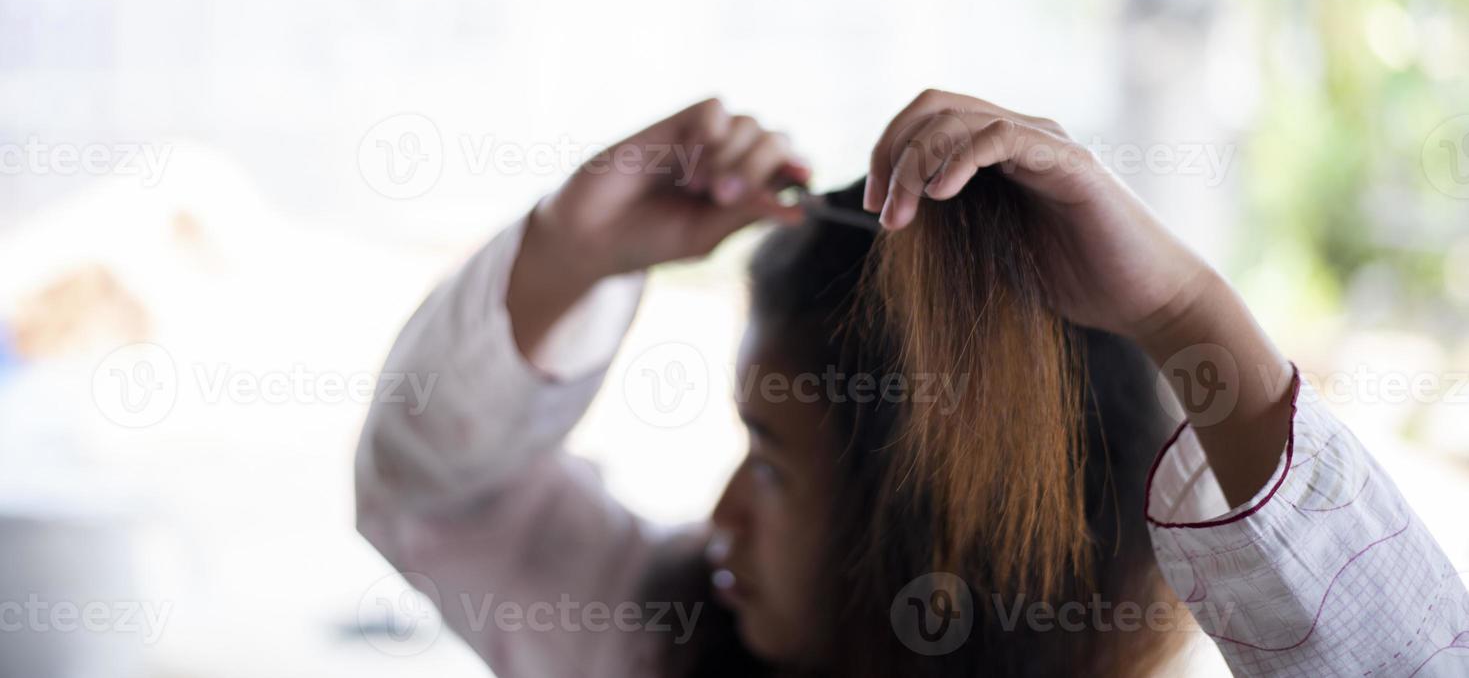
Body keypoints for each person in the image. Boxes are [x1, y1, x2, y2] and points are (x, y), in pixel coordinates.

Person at [355, 90, 1469, 676]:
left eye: (780, 468)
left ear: (942, 525)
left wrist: (1182, 311)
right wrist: (567, 247)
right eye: (748, 445)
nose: (722, 514)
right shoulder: (657, 638)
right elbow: (435, 498)